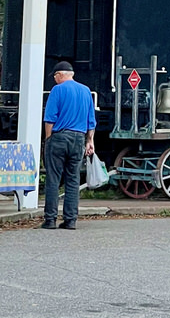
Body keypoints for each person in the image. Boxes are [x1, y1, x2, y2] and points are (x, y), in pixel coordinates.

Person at [41, 61, 95, 230]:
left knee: (53, 179)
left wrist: (48, 139)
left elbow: (50, 118)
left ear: (60, 75)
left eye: (55, 76)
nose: (55, 80)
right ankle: (70, 220)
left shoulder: (57, 90)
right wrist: (90, 140)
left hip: (59, 137)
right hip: (79, 138)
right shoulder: (86, 91)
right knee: (73, 180)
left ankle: (50, 219)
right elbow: (91, 121)